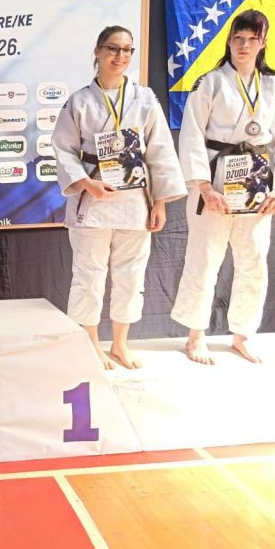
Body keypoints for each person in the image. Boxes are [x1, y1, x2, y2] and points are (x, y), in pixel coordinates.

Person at [170, 9, 275, 364]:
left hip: (256, 184)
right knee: (204, 258)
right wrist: (204, 187)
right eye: (238, 39)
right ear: (229, 41)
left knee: (253, 260)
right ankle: (196, 336)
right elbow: (192, 135)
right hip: (214, 181)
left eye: (252, 39)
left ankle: (242, 334)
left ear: (263, 43)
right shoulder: (210, 82)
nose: (244, 46)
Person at [52, 26, 186, 369]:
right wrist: (86, 183)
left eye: (127, 50)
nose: (120, 56)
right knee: (89, 274)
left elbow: (160, 151)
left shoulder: (145, 99)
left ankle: (120, 344)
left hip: (134, 200)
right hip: (93, 198)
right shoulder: (79, 101)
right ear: (97, 51)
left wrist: (159, 202)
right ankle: (90, 343)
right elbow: (63, 149)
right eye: (113, 48)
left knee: (131, 274)